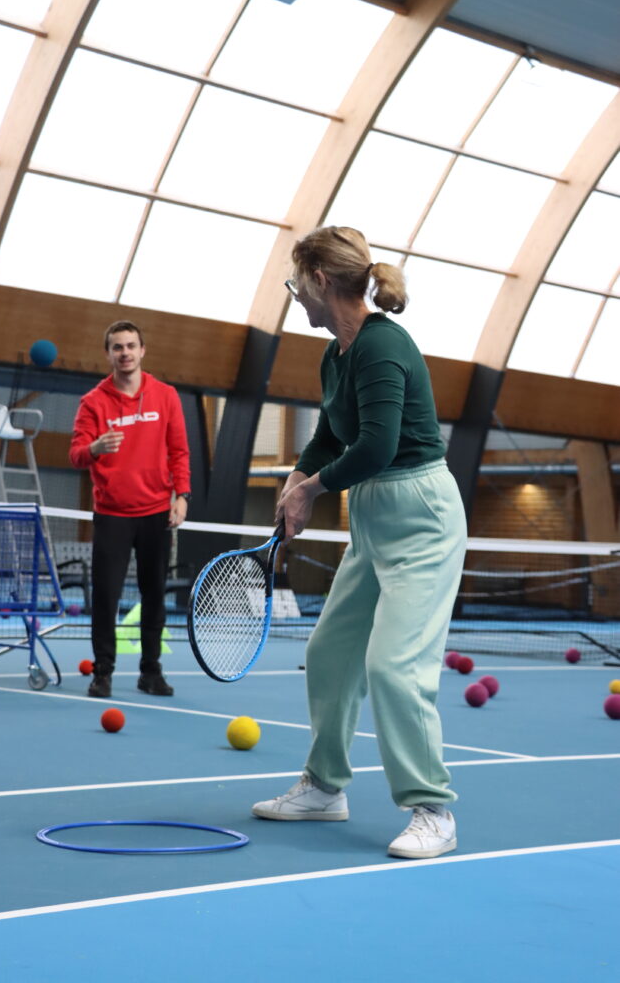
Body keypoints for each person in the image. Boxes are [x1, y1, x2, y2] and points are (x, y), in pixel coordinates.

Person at [251, 227, 467, 859]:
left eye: (296, 286)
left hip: (421, 514)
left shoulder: (381, 346)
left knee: (394, 667)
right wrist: (297, 475)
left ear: (321, 281)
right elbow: (331, 433)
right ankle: (324, 788)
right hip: (372, 516)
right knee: (331, 651)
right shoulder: (336, 355)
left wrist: (313, 491)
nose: (295, 299)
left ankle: (433, 809)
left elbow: (375, 444)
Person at [69, 320, 191, 700]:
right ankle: (102, 672)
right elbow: (75, 454)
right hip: (112, 514)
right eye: (117, 347)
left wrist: (182, 496)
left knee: (154, 594)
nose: (125, 353)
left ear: (142, 351)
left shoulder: (166, 396)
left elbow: (179, 451)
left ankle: (150, 672)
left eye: (131, 346)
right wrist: (94, 449)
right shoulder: (93, 403)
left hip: (157, 511)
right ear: (108, 354)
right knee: (105, 596)